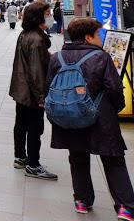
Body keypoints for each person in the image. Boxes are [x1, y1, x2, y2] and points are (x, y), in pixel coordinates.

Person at [46, 18, 134, 218]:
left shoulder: (57, 57)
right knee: (113, 159)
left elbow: (49, 87)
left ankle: (82, 201)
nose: (100, 38)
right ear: (88, 36)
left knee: (77, 158)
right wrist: (116, 108)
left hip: (68, 116)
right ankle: (125, 206)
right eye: (98, 34)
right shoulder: (101, 57)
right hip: (100, 116)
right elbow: (114, 88)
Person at [9, 1, 57, 180]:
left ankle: (20, 157)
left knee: (21, 124)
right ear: (39, 16)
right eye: (48, 13)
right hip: (31, 92)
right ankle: (33, 165)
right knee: (35, 127)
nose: (50, 16)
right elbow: (36, 72)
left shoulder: (25, 34)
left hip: (20, 89)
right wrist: (41, 97)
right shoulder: (37, 39)